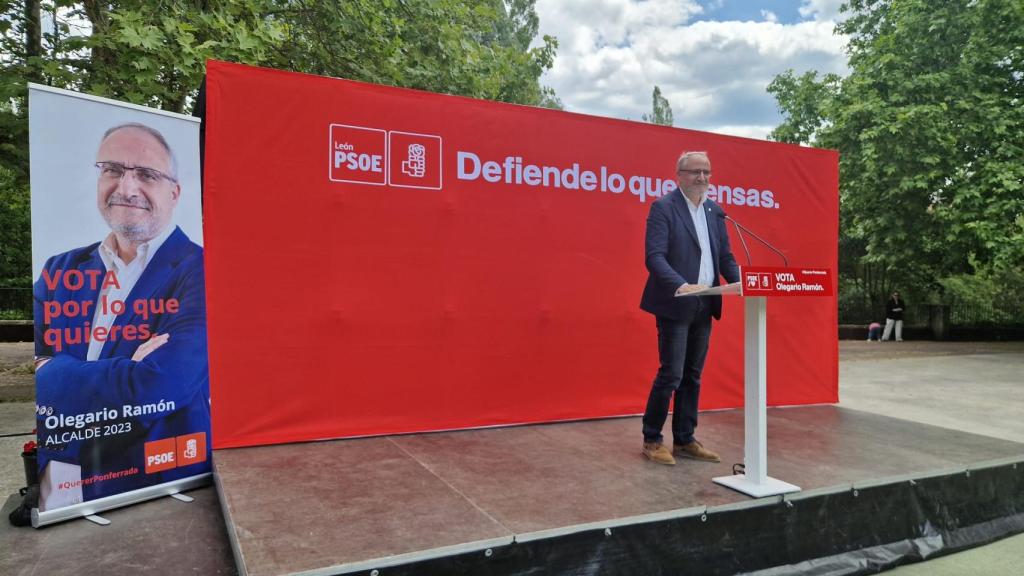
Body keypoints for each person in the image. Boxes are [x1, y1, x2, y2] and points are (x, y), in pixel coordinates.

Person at [33, 122, 209, 508]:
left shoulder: (203, 270)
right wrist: (126, 367)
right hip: (56, 487)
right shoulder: (61, 268)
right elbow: (35, 382)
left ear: (175, 192)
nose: (127, 188)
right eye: (112, 170)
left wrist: (53, 369)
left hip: (156, 487)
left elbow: (161, 386)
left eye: (147, 174)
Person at [639, 151, 739, 466]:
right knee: (671, 373)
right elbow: (654, 257)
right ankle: (652, 439)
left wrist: (743, 283)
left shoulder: (715, 211)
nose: (702, 178)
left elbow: (724, 256)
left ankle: (684, 439)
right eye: (695, 172)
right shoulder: (663, 208)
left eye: (707, 172)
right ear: (679, 174)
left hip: (707, 302)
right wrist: (681, 284)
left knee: (693, 376)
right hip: (676, 302)